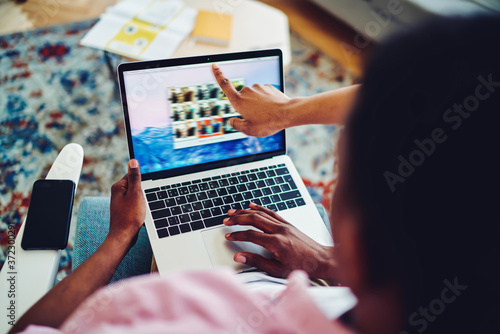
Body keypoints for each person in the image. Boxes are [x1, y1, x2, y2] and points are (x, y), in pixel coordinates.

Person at [10, 15, 500, 334]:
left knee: (101, 213)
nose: (325, 186)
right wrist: (329, 264)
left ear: (358, 234)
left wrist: (119, 236)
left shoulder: (160, 313)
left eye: (337, 171)